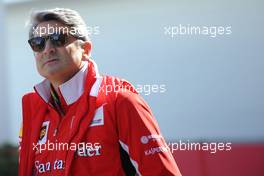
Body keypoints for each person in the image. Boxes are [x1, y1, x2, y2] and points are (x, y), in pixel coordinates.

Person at [19, 8, 181, 176]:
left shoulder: (120, 101)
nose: (47, 49)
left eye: (57, 39)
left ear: (86, 50)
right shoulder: (33, 113)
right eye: (38, 43)